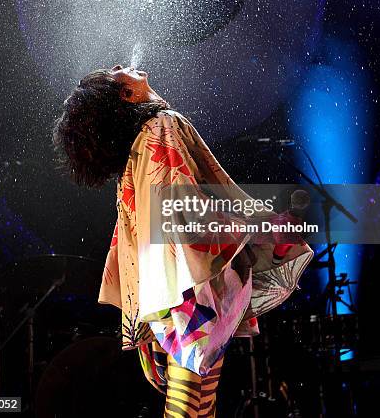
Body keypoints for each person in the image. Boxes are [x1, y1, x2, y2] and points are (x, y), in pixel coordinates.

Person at [52, 64, 313, 417]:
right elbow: (188, 210)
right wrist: (264, 229)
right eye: (116, 73)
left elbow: (130, 237)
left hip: (171, 293)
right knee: (191, 409)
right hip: (191, 290)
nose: (121, 66)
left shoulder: (137, 150)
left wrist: (141, 319)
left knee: (198, 407)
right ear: (126, 95)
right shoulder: (162, 126)